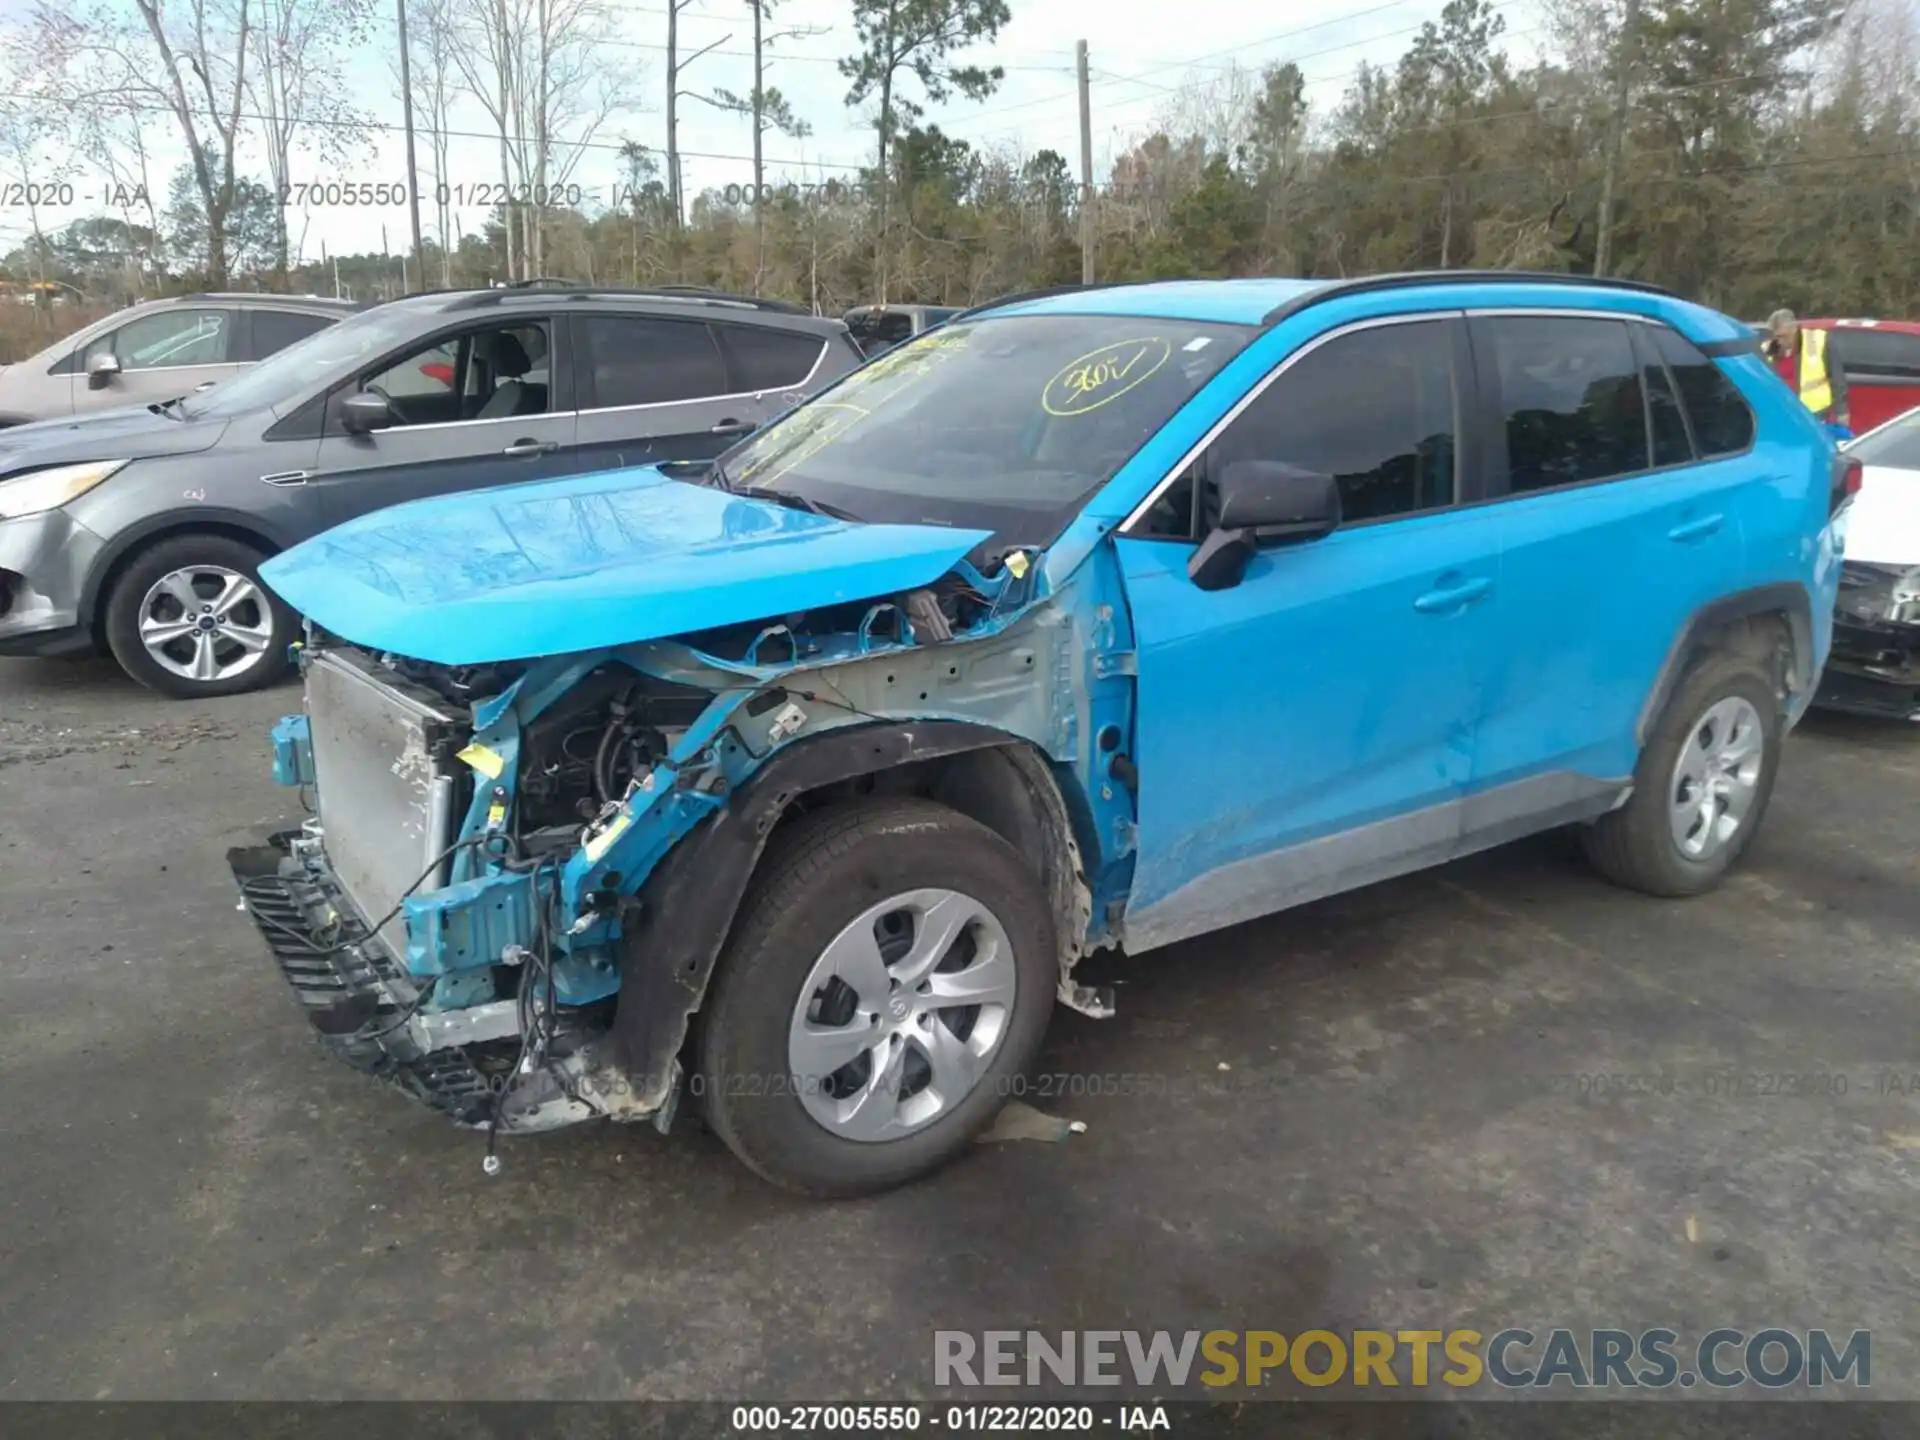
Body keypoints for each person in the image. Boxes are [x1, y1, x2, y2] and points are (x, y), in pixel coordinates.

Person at [1761, 309, 1850, 432]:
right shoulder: (1769, 348)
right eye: (1777, 337)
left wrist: (1842, 411)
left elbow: (1836, 377)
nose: (1780, 341)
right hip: (1785, 414)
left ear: (1794, 329)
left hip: (1815, 413)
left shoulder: (1818, 341)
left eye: (1784, 337)